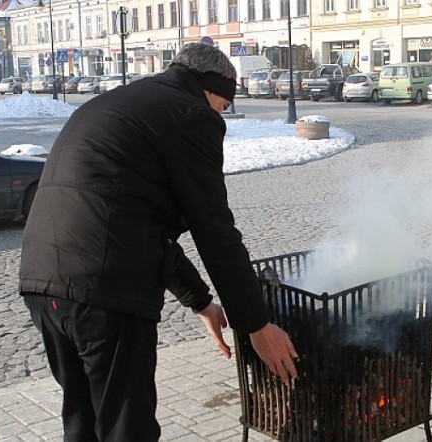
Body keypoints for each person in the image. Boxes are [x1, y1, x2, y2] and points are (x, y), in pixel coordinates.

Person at [19, 42, 299, 441]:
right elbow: (214, 227)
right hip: (105, 288)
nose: (221, 116)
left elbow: (135, 223)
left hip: (42, 279)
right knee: (125, 428)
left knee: (82, 420)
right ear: (209, 90)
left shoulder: (123, 101)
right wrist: (256, 325)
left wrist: (200, 301)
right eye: (223, 106)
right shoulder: (190, 114)